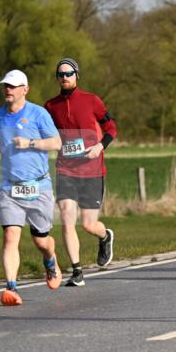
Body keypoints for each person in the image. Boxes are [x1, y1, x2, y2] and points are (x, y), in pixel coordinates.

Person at [0, 70, 63, 305]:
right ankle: (12, 287)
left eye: (13, 86)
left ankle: (50, 259)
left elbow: (57, 143)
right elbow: (5, 143)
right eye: (5, 86)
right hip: (10, 187)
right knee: (10, 235)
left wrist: (31, 142)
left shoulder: (39, 114)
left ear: (25, 89)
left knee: (41, 241)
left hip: (38, 186)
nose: (8, 90)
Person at [44, 58, 117, 287]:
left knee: (87, 224)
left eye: (69, 73)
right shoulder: (50, 106)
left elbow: (111, 128)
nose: (64, 77)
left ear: (77, 75)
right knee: (67, 217)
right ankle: (77, 271)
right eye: (61, 74)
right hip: (66, 169)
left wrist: (99, 147)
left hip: (93, 170)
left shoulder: (91, 100)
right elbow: (46, 136)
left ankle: (105, 236)